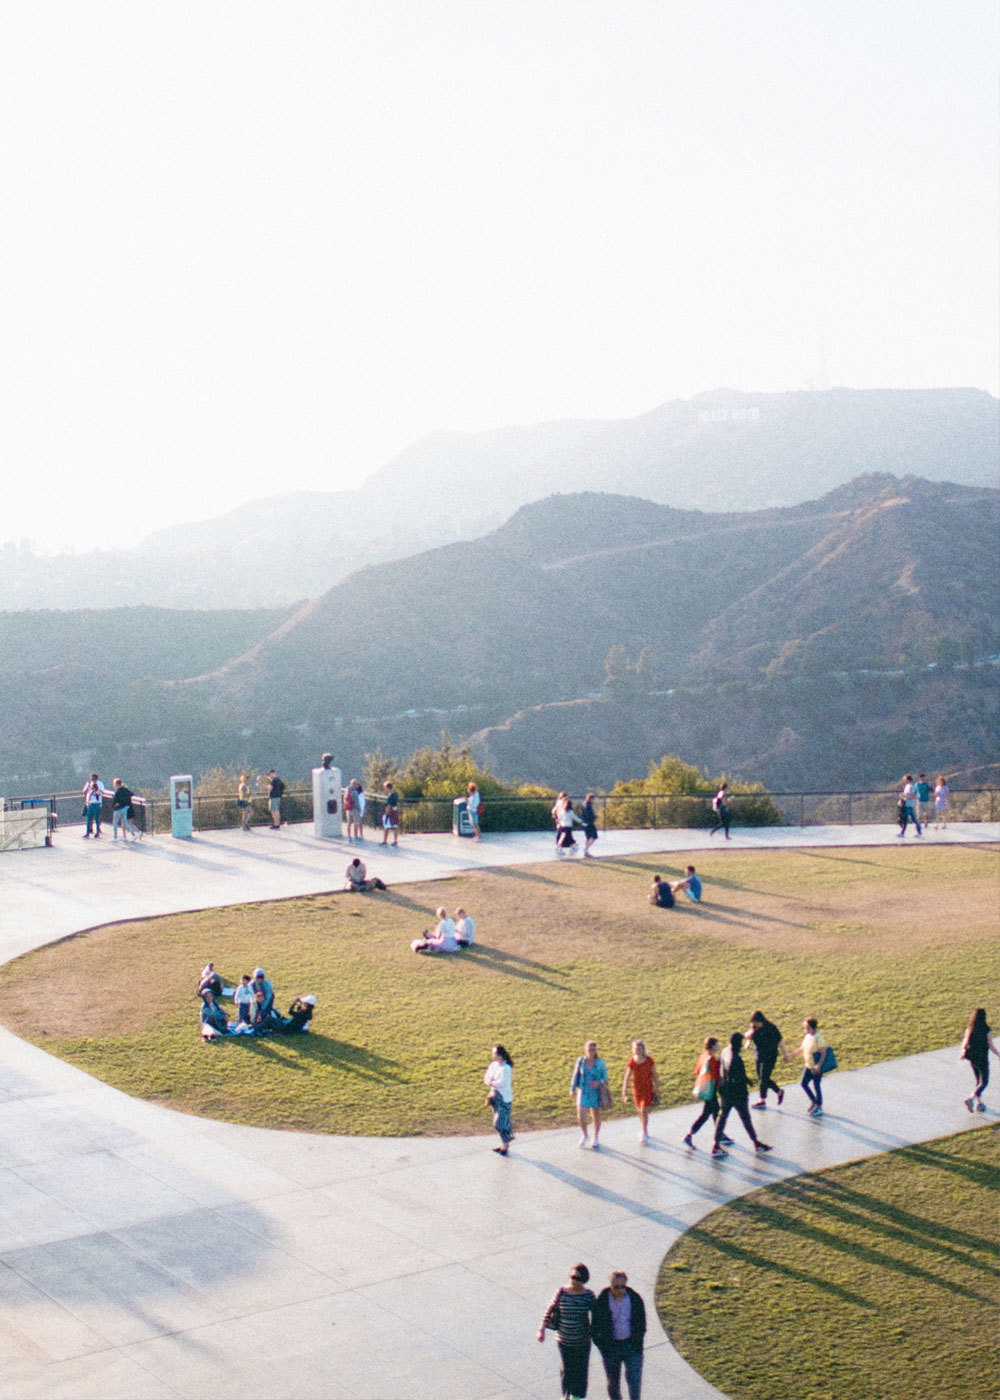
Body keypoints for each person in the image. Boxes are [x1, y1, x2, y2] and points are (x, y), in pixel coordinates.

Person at [538, 1263, 596, 1400]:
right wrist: (542, 1329)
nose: (574, 1280)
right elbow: (550, 1309)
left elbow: (598, 1314)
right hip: (564, 1340)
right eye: (572, 1277)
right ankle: (566, 1396)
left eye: (578, 1278)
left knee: (581, 1370)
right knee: (567, 1368)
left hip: (582, 1340)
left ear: (584, 1280)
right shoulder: (562, 1292)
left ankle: (578, 1397)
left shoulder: (588, 1296)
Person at [712, 1032, 772, 1157]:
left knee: (722, 1117)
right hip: (737, 1093)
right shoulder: (736, 1059)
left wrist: (747, 1079)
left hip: (724, 1090)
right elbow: (737, 1077)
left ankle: (716, 1145)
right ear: (737, 1043)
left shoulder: (725, 1051)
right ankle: (756, 1143)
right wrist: (745, 1084)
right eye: (740, 1043)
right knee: (745, 1118)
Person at [592, 1271, 647, 1400]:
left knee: (634, 1383)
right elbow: (594, 1327)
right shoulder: (602, 1302)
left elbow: (641, 1324)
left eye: (622, 1286)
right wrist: (603, 1347)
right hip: (612, 1348)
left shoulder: (635, 1299)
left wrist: (637, 1343)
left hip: (632, 1347)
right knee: (613, 1384)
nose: (620, 1290)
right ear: (610, 1286)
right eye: (616, 1287)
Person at [684, 1037, 729, 1149]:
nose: (718, 1046)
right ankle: (689, 1135)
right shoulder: (711, 1059)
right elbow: (715, 1077)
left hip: (704, 1088)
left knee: (713, 1113)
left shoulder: (702, 1056)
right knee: (712, 1114)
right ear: (713, 1046)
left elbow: (697, 1071)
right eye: (717, 1044)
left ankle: (720, 1135)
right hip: (711, 1090)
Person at [744, 1010, 791, 1109]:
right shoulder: (754, 1029)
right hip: (759, 1056)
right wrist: (748, 1038)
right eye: (752, 1023)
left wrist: (786, 1054)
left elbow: (781, 1041)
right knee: (762, 1079)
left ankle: (762, 1100)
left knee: (763, 1078)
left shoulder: (771, 1028)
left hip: (770, 1056)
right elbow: (747, 1037)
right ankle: (779, 1092)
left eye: (755, 1023)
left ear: (761, 1021)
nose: (754, 1025)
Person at [571, 1040, 609, 1149]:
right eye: (589, 1049)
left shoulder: (600, 1063)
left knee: (595, 1115)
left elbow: (605, 1079)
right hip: (583, 1091)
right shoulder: (581, 1061)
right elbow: (576, 1074)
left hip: (595, 1092)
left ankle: (596, 1137)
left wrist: (599, 1082)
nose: (591, 1051)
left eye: (593, 1049)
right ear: (585, 1050)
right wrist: (572, 1088)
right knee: (581, 1115)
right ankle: (585, 1135)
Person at [961, 1008, 998, 1112]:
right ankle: (971, 1098)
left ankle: (979, 1103)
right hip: (982, 1059)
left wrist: (963, 1053)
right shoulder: (986, 1030)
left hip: (973, 1058)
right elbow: (991, 1045)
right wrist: (998, 1054)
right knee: (984, 1082)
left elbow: (965, 1041)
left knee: (978, 1081)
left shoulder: (970, 1028)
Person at [622, 1040, 659, 1143]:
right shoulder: (632, 1061)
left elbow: (654, 1074)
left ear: (643, 1049)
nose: (638, 1051)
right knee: (639, 1110)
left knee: (643, 1110)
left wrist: (656, 1088)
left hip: (647, 1088)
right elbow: (627, 1077)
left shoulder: (649, 1060)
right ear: (632, 1050)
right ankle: (643, 1127)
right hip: (637, 1090)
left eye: (640, 1049)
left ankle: (644, 1131)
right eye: (636, 1049)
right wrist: (624, 1091)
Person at [484, 1044, 514, 1154]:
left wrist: (491, 1082)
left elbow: (501, 1083)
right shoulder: (493, 1065)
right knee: (499, 1121)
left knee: (499, 1123)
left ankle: (506, 1141)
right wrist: (491, 1082)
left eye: (494, 1054)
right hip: (494, 1096)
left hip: (503, 1097)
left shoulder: (506, 1068)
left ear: (500, 1056)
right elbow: (486, 1078)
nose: (492, 1056)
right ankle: (504, 1144)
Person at [799, 1016, 827, 1116]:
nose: (806, 1030)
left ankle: (819, 1107)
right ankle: (814, 1101)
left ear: (813, 1028)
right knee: (803, 1084)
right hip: (808, 1065)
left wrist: (819, 1065)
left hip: (816, 1067)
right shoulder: (807, 1037)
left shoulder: (818, 1038)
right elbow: (802, 1048)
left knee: (816, 1086)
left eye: (807, 1028)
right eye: (805, 1028)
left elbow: (824, 1053)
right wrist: (790, 1055)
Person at [110, 777, 140, 842]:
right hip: (125, 809)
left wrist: (115, 806)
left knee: (115, 823)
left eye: (114, 784)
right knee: (125, 822)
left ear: (117, 784)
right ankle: (133, 834)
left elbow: (115, 801)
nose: (114, 786)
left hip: (118, 809)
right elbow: (132, 794)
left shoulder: (118, 792)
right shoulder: (125, 790)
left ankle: (115, 837)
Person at [81, 773, 107, 838]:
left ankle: (97, 832)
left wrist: (96, 789)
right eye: (92, 779)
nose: (93, 780)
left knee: (96, 818)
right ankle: (88, 832)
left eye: (94, 779)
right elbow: (84, 791)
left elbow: (101, 793)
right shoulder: (88, 783)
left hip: (97, 803)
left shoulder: (100, 784)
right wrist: (88, 787)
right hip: (89, 803)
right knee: (88, 818)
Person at [381, 780, 400, 845]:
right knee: (395, 826)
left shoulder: (390, 796)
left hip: (390, 812)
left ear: (387, 787)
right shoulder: (395, 794)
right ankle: (395, 841)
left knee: (386, 827)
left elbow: (389, 806)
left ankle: (385, 840)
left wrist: (386, 814)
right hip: (395, 811)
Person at [581, 792, 599, 857]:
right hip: (589, 823)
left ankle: (586, 851)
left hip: (585, 822)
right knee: (594, 836)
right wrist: (594, 817)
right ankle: (586, 849)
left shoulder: (583, 804)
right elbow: (589, 814)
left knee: (587, 837)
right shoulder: (588, 805)